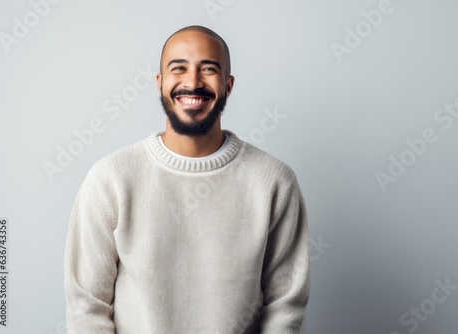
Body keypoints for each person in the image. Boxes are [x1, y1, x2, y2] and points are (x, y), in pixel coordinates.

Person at [64, 25, 310, 333]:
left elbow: (285, 305)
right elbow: (86, 307)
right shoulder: (110, 179)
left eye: (208, 69)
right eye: (178, 68)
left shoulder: (274, 181)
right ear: (160, 83)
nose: (192, 82)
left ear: (228, 85)